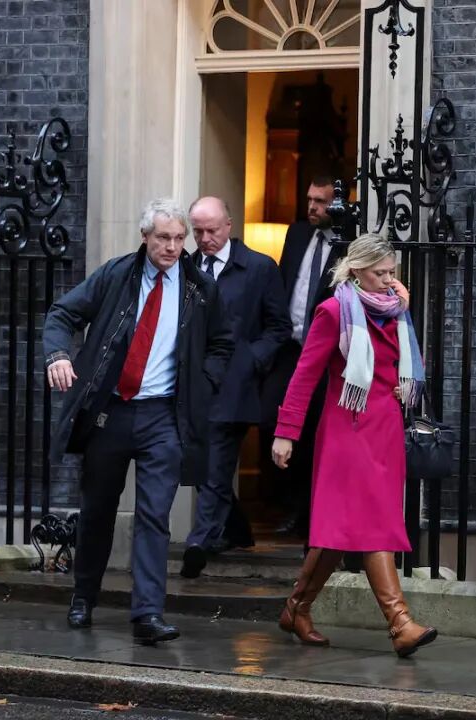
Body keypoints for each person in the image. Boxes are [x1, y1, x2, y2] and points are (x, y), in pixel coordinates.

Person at [44, 198, 233, 644]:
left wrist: (203, 382)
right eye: (163, 238)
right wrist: (58, 355)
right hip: (110, 411)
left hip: (163, 415)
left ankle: (147, 613)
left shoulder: (199, 288)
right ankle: (83, 596)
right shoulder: (116, 275)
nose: (172, 247)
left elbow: (222, 344)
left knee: (154, 515)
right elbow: (62, 313)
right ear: (145, 237)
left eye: (179, 239)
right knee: (97, 510)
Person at [271, 233, 437, 658]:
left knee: (341, 530)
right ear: (357, 270)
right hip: (347, 430)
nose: (388, 280)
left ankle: (296, 608)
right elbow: (305, 375)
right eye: (380, 273)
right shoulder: (333, 312)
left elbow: (406, 367)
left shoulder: (395, 311)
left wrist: (402, 383)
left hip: (384, 433)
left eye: (392, 273)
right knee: (372, 523)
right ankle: (400, 623)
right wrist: (286, 432)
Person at [179, 197, 292, 579]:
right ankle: (237, 528)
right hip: (194, 382)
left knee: (216, 464)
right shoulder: (185, 267)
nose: (204, 238)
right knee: (196, 461)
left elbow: (279, 327)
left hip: (234, 383)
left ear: (229, 225)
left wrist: (250, 359)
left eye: (211, 230)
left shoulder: (259, 267)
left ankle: (199, 542)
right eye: (197, 231)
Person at [260, 176, 345, 540]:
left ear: (337, 204)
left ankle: (309, 514)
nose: (312, 207)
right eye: (310, 199)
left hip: (324, 356)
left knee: (314, 432)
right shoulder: (296, 234)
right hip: (289, 349)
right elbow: (284, 282)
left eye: (321, 201)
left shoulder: (348, 242)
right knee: (269, 418)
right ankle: (284, 502)